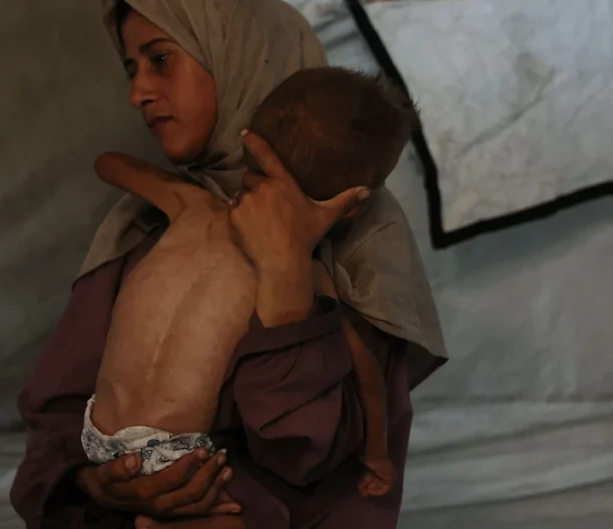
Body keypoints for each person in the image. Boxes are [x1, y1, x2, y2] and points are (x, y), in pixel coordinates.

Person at [10, 0, 447, 529]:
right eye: (131, 69)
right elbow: (56, 422)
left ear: (240, 51)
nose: (138, 93)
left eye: (160, 59)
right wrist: (100, 486)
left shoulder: (359, 248)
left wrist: (286, 278)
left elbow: (314, 458)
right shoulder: (146, 225)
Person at [82, 66, 419, 501]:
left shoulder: (192, 206)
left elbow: (107, 164)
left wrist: (181, 179)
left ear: (249, 147)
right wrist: (377, 455)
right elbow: (367, 375)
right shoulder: (302, 276)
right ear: (354, 204)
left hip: (94, 433)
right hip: (178, 457)